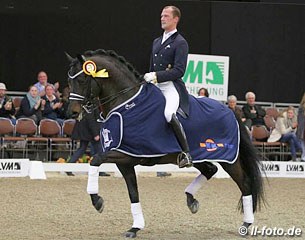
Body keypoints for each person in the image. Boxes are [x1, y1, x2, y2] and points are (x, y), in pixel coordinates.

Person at [144, 5, 192, 168]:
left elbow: (179, 71)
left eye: (166, 16)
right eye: (161, 16)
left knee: (168, 113)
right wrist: (150, 77)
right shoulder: (157, 41)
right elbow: (152, 66)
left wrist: (157, 76)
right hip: (155, 84)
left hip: (170, 86)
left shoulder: (180, 42)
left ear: (175, 19)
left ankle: (186, 153)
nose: (162, 18)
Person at [66, 109, 110, 176]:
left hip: (85, 131)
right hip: (89, 132)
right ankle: (98, 170)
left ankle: (69, 166)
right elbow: (91, 120)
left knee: (82, 149)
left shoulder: (87, 106)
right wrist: (95, 134)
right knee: (97, 151)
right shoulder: (92, 106)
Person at [296, 93, 305, 161]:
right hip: (303, 128)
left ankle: (303, 156)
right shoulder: (302, 108)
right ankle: (303, 156)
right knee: (302, 142)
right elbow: (300, 120)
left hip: (302, 128)